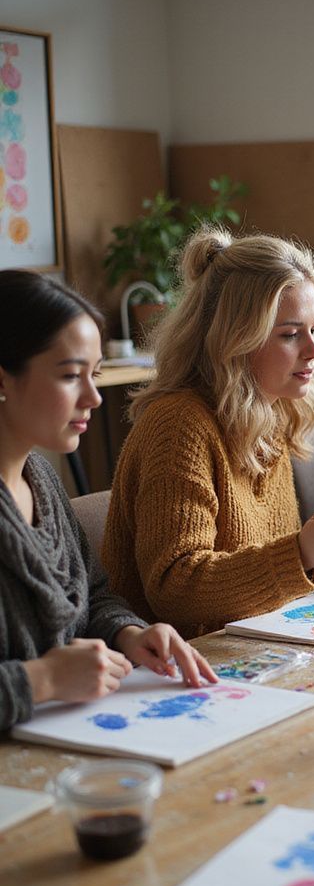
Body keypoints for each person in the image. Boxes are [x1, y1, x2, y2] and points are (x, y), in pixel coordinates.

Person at [104, 230, 314, 641]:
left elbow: (269, 552)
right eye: (289, 334)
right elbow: (176, 589)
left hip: (246, 647)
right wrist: (303, 551)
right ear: (232, 340)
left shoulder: (271, 410)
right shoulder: (179, 426)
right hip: (182, 665)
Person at [0, 271, 215, 732]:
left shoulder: (40, 480)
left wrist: (129, 633)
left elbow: (94, 594)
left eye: (94, 375)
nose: (94, 398)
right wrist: (41, 680)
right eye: (70, 376)